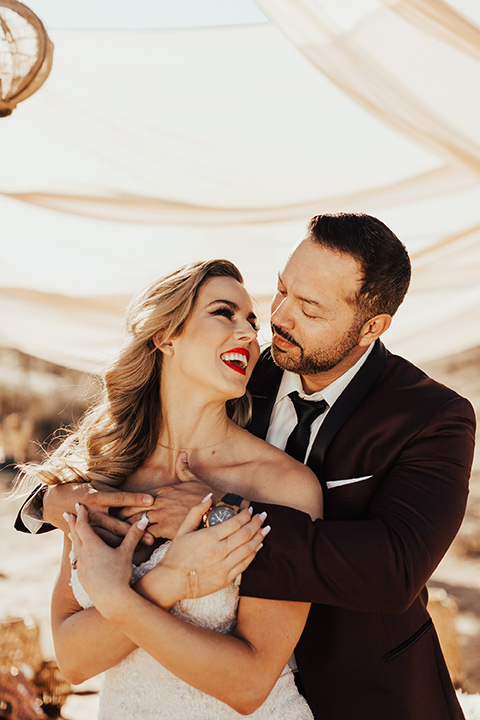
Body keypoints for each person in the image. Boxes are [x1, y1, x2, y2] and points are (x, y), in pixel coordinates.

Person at [16, 214, 476, 720]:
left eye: (309, 308)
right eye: (281, 290)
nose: (276, 318)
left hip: (361, 691)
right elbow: (137, 424)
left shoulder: (431, 417)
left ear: (372, 327)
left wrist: (221, 516)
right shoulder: (237, 367)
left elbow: (394, 571)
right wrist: (46, 500)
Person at [15, 259, 323, 719]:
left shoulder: (282, 484)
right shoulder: (101, 477)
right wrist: (169, 580)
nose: (248, 333)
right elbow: (75, 661)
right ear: (165, 336)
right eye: (224, 312)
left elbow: (250, 684)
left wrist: (120, 600)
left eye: (252, 322)